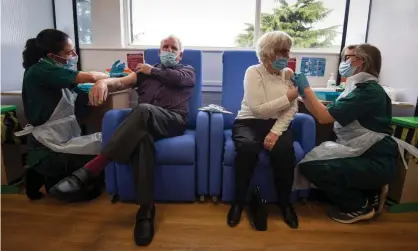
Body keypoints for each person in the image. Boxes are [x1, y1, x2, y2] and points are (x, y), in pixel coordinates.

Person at [50, 35, 196, 246]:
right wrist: (103, 82)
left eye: (174, 48)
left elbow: (180, 80)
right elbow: (120, 82)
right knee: (142, 139)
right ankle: (146, 211)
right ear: (159, 50)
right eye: (165, 46)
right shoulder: (142, 73)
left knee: (143, 110)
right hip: (145, 124)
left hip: (172, 121)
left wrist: (151, 70)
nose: (169, 50)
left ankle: (93, 167)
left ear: (180, 54)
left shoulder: (187, 71)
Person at [292, 44, 418, 224]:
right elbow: (332, 110)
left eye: (349, 57)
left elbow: (324, 117)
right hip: (363, 151)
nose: (344, 62)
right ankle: (369, 193)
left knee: (313, 166)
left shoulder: (368, 92)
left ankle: (358, 206)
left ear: (363, 61)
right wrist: (304, 95)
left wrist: (306, 90)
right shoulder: (358, 88)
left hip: (374, 158)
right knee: (317, 159)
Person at [19, 29, 110, 201]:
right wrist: (107, 78)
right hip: (48, 141)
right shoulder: (42, 70)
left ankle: (46, 172)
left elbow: (77, 92)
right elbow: (90, 76)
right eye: (69, 52)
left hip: (62, 134)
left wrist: (89, 93)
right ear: (52, 55)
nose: (74, 54)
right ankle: (39, 171)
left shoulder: (55, 69)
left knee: (100, 149)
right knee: (92, 175)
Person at [227, 31, 300, 230]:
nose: (286, 56)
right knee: (248, 148)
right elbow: (258, 109)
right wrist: (289, 97)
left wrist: (275, 132)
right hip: (248, 122)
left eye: (288, 51)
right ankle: (238, 202)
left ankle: (285, 204)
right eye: (281, 51)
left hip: (277, 124)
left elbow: (292, 109)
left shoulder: (288, 74)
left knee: (285, 151)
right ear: (268, 52)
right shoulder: (253, 71)